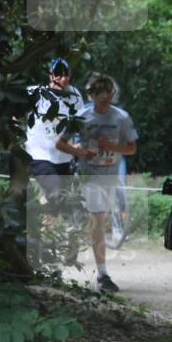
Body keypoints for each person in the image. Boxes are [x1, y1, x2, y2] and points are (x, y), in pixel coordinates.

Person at [56, 74, 137, 293]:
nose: (104, 97)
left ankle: (72, 236)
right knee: (99, 219)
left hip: (109, 176)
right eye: (99, 93)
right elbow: (61, 143)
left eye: (108, 93)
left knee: (96, 221)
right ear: (91, 95)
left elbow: (132, 148)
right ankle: (103, 275)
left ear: (112, 94)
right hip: (88, 175)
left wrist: (112, 147)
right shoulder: (81, 116)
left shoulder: (121, 118)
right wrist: (80, 151)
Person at [25, 58, 85, 209]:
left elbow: (81, 122)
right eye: (58, 74)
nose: (63, 79)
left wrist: (80, 144)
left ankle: (38, 218)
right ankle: (32, 210)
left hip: (63, 158)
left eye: (66, 75)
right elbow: (11, 111)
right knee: (56, 193)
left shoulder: (75, 95)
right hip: (39, 155)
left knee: (60, 203)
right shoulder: (35, 93)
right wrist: (17, 138)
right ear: (50, 74)